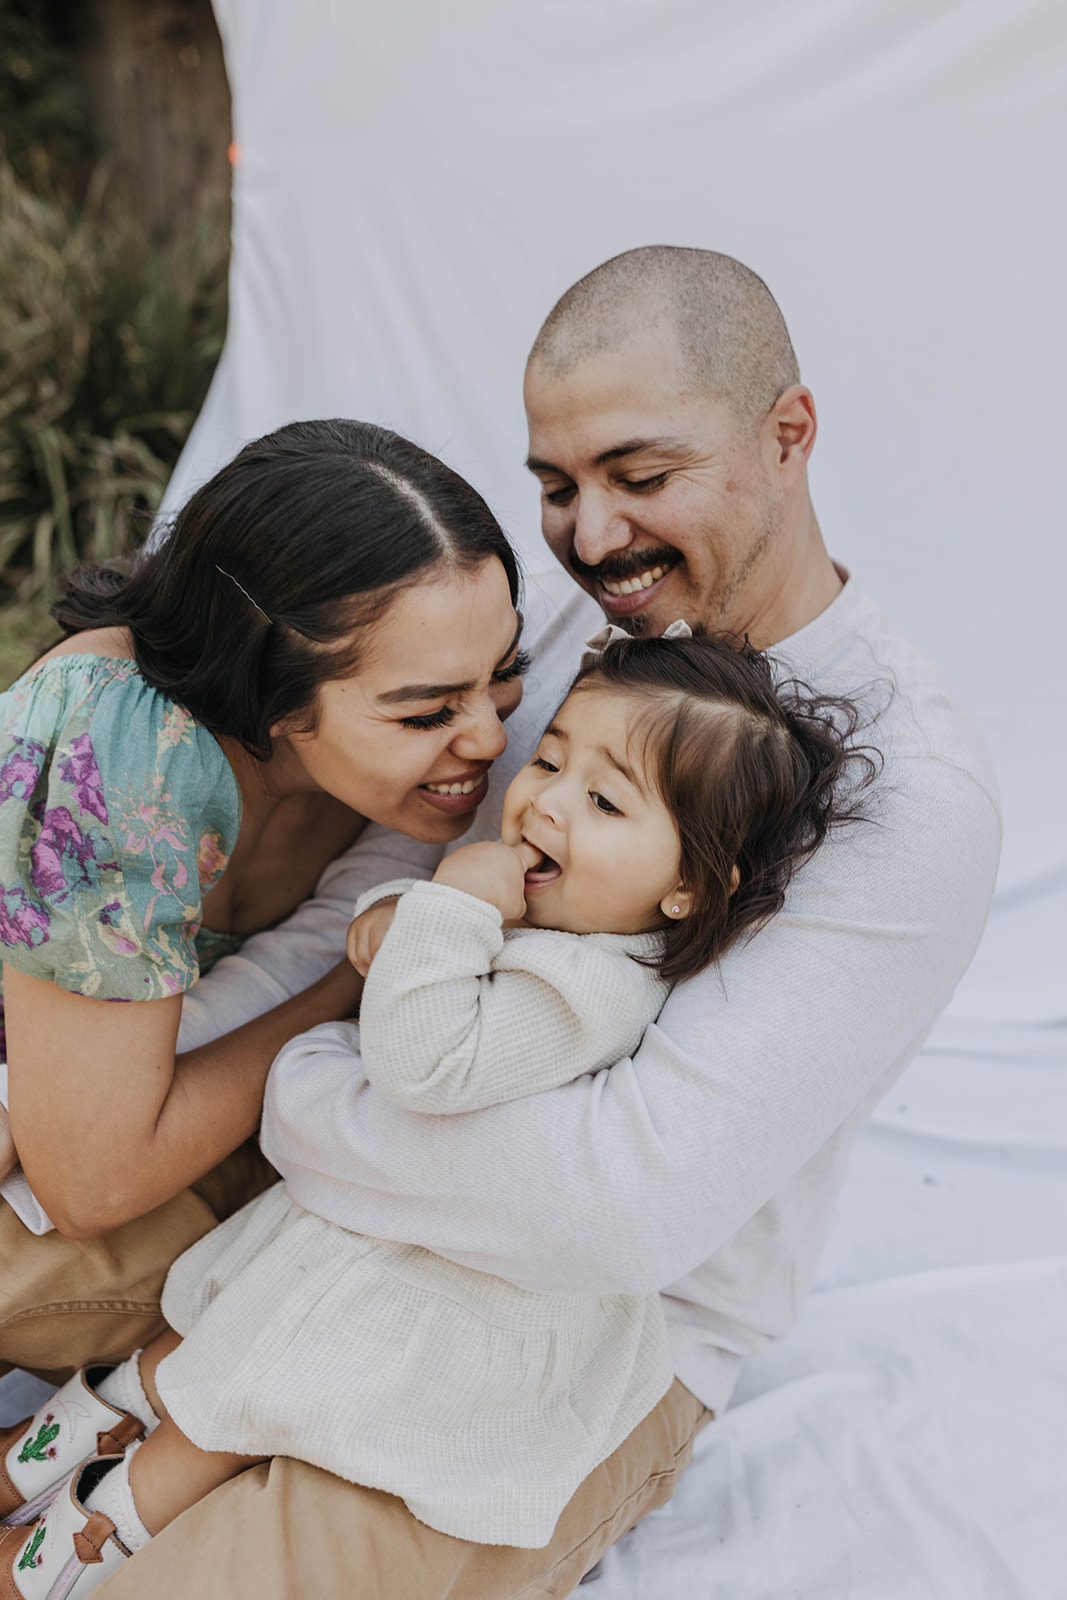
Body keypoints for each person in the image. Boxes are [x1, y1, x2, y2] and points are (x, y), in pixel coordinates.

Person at [21, 247, 1004, 1600]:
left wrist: (315, 1083)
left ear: (787, 435)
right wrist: (92, 1099)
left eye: (639, 477)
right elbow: (346, 926)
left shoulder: (910, 796)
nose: (591, 538)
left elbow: (616, 1212)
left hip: (564, 1329)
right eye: (557, 486)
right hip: (329, 1185)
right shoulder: (558, 636)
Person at [0, 629, 874, 1590]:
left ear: (689, 887)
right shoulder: (534, 922)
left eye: (604, 799)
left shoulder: (588, 994)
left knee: (204, 1423)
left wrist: (448, 911)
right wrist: (402, 912)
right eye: (549, 759)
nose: (543, 798)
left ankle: (52, 1558)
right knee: (174, 1365)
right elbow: (413, 966)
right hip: (338, 1245)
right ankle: (30, 1467)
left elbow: (420, 1063)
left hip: (406, 1303)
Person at [0, 417, 527, 1381]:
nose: (492, 739)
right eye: (428, 710)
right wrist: (348, 987)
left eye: (504, 676)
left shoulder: (386, 782)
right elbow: (95, 1176)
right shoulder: (117, 748)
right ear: (274, 701)